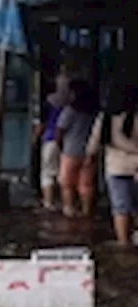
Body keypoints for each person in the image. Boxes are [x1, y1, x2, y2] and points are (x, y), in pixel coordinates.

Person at [87, 82, 138, 245]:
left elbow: (93, 145)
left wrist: (88, 162)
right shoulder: (135, 116)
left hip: (116, 167)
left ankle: (123, 243)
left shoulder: (105, 118)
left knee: (120, 207)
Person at [55, 78, 99, 217]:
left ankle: (69, 209)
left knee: (67, 183)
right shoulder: (94, 112)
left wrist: (59, 144)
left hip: (70, 150)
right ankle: (86, 211)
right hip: (89, 151)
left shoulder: (70, 111)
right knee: (86, 184)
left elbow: (60, 130)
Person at [37, 73, 70, 210]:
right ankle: (65, 203)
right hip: (69, 142)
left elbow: (42, 123)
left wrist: (36, 138)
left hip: (50, 139)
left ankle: (48, 202)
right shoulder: (71, 104)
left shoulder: (48, 103)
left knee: (47, 173)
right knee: (63, 174)